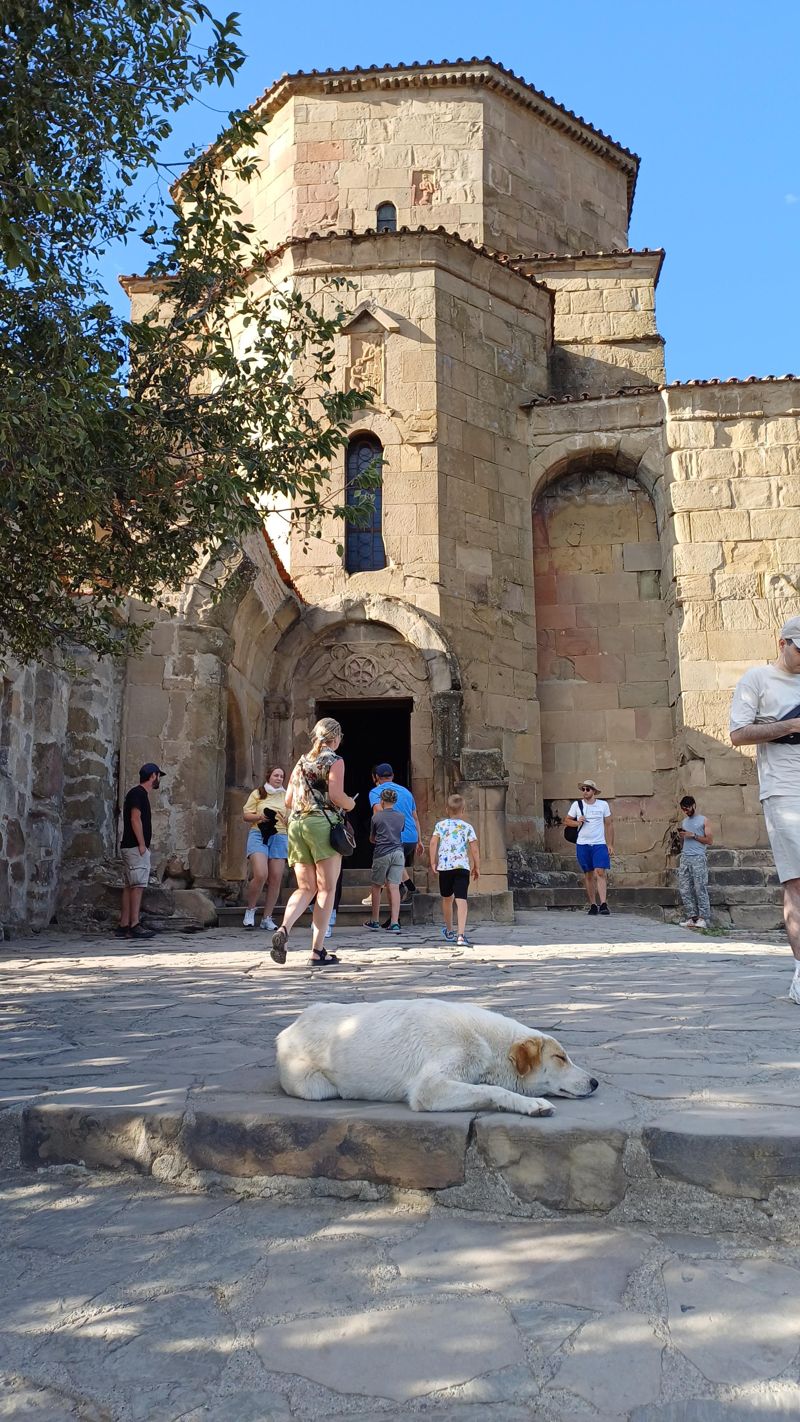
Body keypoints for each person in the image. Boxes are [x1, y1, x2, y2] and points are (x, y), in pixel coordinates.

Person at [730, 616, 800, 1005]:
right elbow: (738, 733)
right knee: (797, 881)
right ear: (782, 643)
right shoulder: (757, 679)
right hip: (784, 789)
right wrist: (790, 726)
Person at [270, 717, 355, 969]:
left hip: (296, 825)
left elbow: (288, 800)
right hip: (321, 825)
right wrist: (350, 803)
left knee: (305, 887)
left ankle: (284, 929)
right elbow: (336, 796)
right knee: (326, 889)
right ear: (336, 738)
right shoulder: (335, 760)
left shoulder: (301, 761)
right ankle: (317, 951)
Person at [362, 762, 423, 918]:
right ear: (393, 776)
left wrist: (377, 834)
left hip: (393, 836)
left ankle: (386, 902)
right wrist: (419, 840)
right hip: (411, 836)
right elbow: (415, 817)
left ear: (376, 777)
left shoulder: (375, 792)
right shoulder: (406, 792)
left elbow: (378, 812)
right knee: (396, 862)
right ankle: (409, 888)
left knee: (389, 871)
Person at [116, 763, 165, 940]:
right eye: (158, 776)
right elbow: (135, 818)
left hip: (130, 846)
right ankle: (134, 924)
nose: (158, 779)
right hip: (135, 847)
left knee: (130, 885)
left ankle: (124, 924)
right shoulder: (138, 793)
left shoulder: (137, 794)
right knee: (137, 886)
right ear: (153, 776)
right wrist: (142, 844)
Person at [429, 793, 480, 947]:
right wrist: (477, 866)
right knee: (461, 899)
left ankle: (450, 930)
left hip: (445, 868)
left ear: (447, 809)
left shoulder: (440, 826)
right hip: (462, 867)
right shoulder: (467, 827)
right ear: (463, 810)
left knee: (446, 898)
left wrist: (433, 862)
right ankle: (461, 935)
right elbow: (474, 848)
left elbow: (433, 843)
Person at [241, 767, 288, 931]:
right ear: (269, 777)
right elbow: (246, 815)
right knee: (261, 874)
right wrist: (260, 816)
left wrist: (287, 819)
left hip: (280, 836)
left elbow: (292, 817)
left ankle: (267, 918)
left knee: (275, 878)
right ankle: (250, 910)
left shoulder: (287, 796)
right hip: (259, 833)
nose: (279, 778)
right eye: (276, 775)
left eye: (281, 776)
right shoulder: (258, 793)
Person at [565, 780, 613, 916]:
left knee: (600, 872)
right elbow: (567, 820)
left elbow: (609, 824)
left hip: (599, 843)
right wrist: (577, 822)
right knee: (588, 874)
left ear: (594, 791)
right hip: (582, 843)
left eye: (588, 789)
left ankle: (603, 903)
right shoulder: (577, 805)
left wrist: (610, 844)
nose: (585, 791)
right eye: (583, 789)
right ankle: (593, 904)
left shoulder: (603, 805)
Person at [363, 786, 405, 934]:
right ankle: (395, 922)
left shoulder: (376, 817)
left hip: (382, 853)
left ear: (381, 801)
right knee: (394, 887)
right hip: (398, 852)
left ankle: (375, 920)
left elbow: (372, 837)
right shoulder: (401, 816)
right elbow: (400, 831)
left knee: (377, 886)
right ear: (395, 801)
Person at [676, 795, 713, 930]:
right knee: (685, 888)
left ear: (694, 805)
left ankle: (703, 918)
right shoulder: (684, 822)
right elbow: (684, 841)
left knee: (700, 887)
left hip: (698, 857)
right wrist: (681, 838)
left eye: (687, 808)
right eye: (683, 809)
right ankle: (692, 917)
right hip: (685, 857)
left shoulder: (704, 820)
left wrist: (693, 835)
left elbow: (709, 840)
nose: (686, 811)